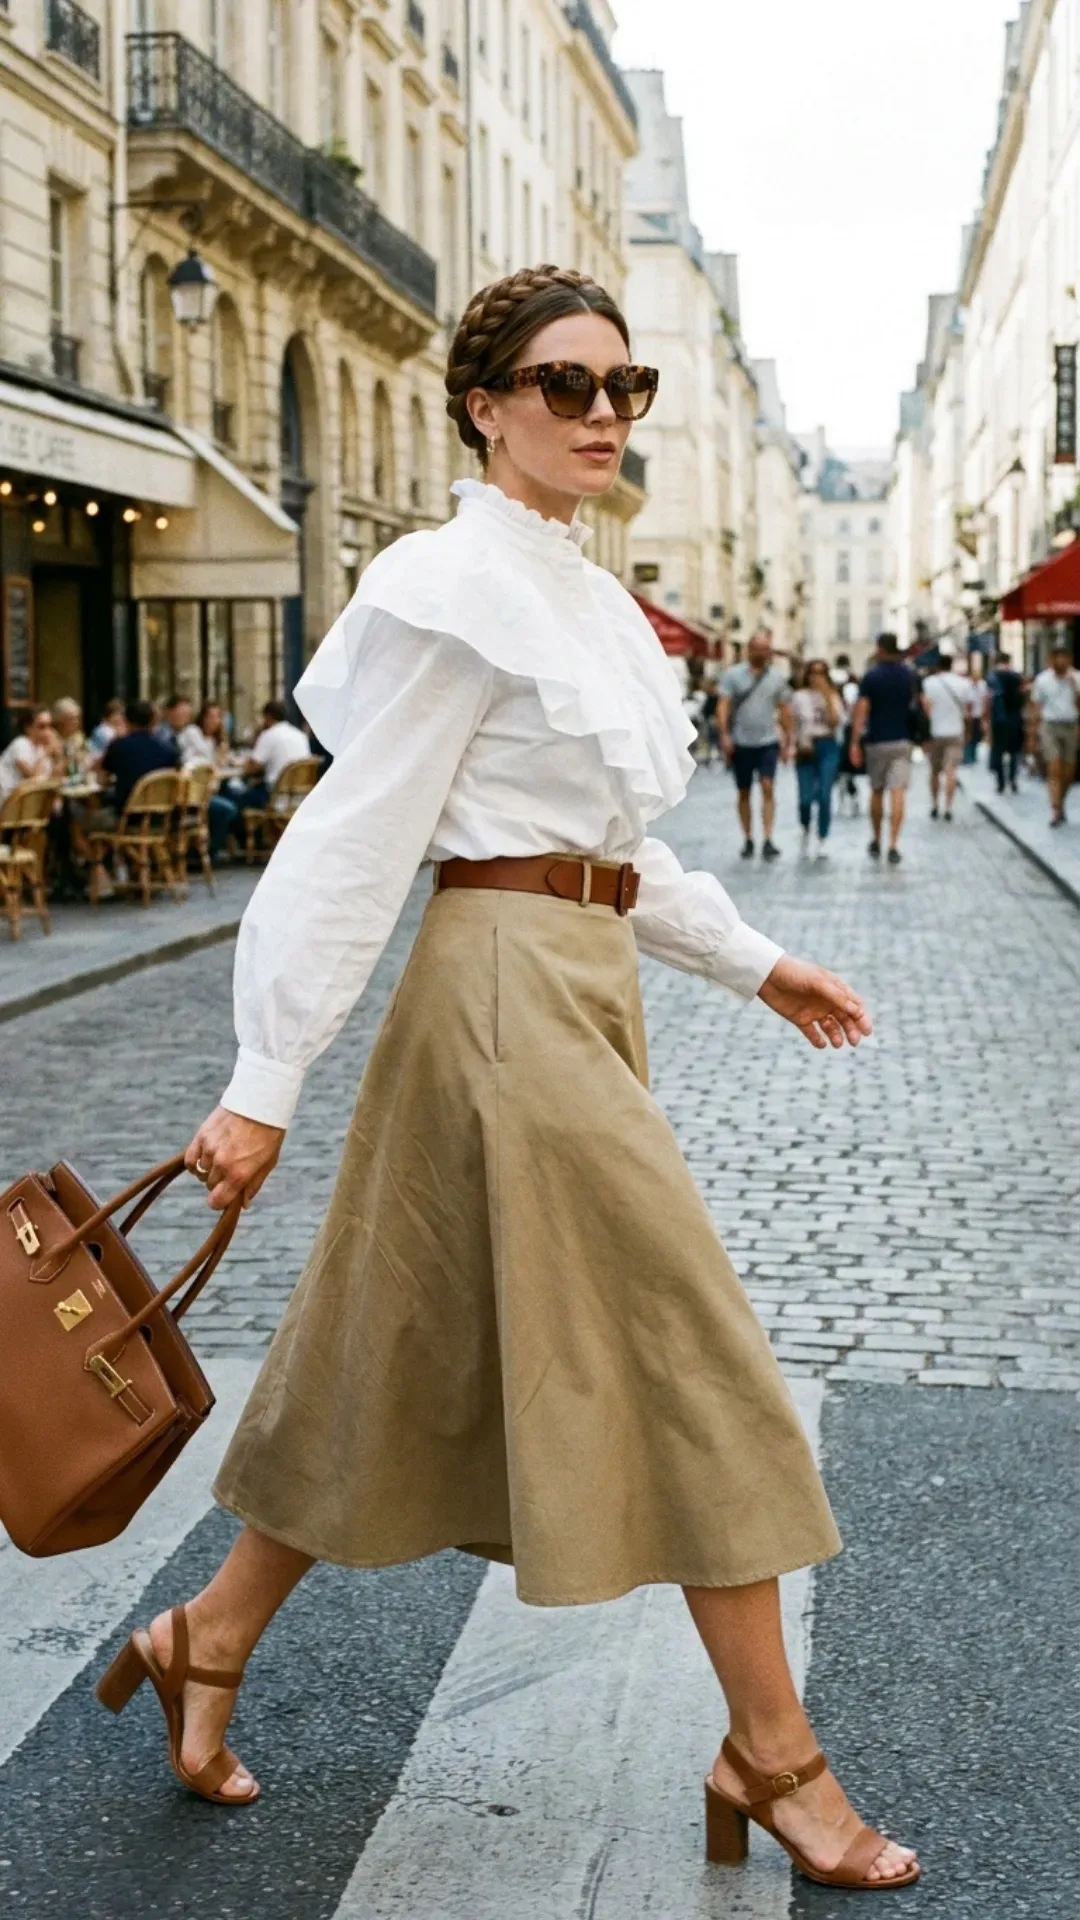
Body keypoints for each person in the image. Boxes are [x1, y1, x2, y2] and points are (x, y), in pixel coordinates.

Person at [95, 267, 917, 1893]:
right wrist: (265, 1079)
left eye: (626, 389)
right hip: (499, 1001)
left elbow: (604, 851)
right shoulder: (448, 582)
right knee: (696, 1354)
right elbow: (360, 837)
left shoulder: (583, 594)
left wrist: (758, 963)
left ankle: (207, 1633)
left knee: (387, 1352)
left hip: (580, 987)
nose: (603, 414)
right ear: (484, 402)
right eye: (564, 384)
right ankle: (773, 1755)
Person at [718, 629, 794, 861]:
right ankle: (748, 838)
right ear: (749, 650)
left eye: (766, 649)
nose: (762, 653)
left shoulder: (776, 677)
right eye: (758, 649)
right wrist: (724, 734)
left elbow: (784, 709)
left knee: (768, 786)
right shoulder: (733, 676)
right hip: (741, 741)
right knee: (744, 791)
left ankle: (768, 837)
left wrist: (788, 739)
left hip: (767, 741)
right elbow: (723, 705)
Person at [850, 633, 915, 865]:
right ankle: (894, 844)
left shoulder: (871, 676)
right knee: (898, 792)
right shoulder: (908, 674)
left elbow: (862, 708)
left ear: (880, 648)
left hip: (877, 741)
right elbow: (921, 704)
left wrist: (854, 741)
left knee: (877, 790)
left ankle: (876, 838)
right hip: (903, 740)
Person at [791, 659, 843, 855]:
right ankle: (805, 825)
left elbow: (835, 722)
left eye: (821, 673)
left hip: (827, 745)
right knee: (805, 797)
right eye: (813, 672)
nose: (816, 677)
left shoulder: (833, 696)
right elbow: (793, 723)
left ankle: (823, 834)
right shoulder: (798, 697)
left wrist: (827, 697)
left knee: (824, 793)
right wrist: (792, 744)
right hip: (805, 747)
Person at [224, 700, 311, 815]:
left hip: (275, 796)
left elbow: (252, 768)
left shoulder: (269, 734)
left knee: (230, 794)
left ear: (268, 717)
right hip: (300, 798)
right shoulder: (301, 736)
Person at [99, 698, 179, 817]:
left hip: (126, 817)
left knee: (77, 815)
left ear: (126, 721)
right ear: (153, 721)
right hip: (161, 817)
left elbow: (102, 777)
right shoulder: (169, 749)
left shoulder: (118, 745)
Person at [1030, 643, 1079, 826]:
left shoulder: (1077, 678)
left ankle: (1061, 802)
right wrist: (1032, 736)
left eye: (1064, 658)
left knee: (1069, 772)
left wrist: (1075, 688)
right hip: (1050, 726)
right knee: (1054, 768)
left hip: (1071, 726)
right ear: (1051, 661)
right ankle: (1055, 809)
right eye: (1057, 658)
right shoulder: (1042, 680)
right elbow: (1036, 707)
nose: (1061, 661)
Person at [920, 654, 972, 821]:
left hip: (936, 733)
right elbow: (968, 709)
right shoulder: (963, 683)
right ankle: (948, 807)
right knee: (951, 771)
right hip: (956, 731)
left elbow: (926, 707)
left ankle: (935, 805)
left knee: (934, 771)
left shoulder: (929, 683)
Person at [985, 651, 1025, 795]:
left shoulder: (992, 677)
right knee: (1014, 752)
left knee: (998, 751)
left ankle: (1001, 782)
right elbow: (1023, 697)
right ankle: (1013, 779)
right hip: (1015, 719)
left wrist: (987, 720)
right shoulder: (1017, 676)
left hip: (998, 720)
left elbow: (988, 700)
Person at [0, 707, 56, 803]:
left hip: (23, 806)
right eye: (42, 726)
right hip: (6, 805)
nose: (48, 731)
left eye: (50, 726)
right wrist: (47, 753)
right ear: (28, 728)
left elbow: (52, 778)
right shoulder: (20, 744)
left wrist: (59, 755)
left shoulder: (41, 748)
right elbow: (34, 780)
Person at [50, 696, 91, 779]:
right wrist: (72, 756)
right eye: (71, 719)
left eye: (77, 718)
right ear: (60, 720)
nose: (76, 722)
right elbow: (55, 771)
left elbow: (87, 763)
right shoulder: (53, 738)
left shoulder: (78, 737)